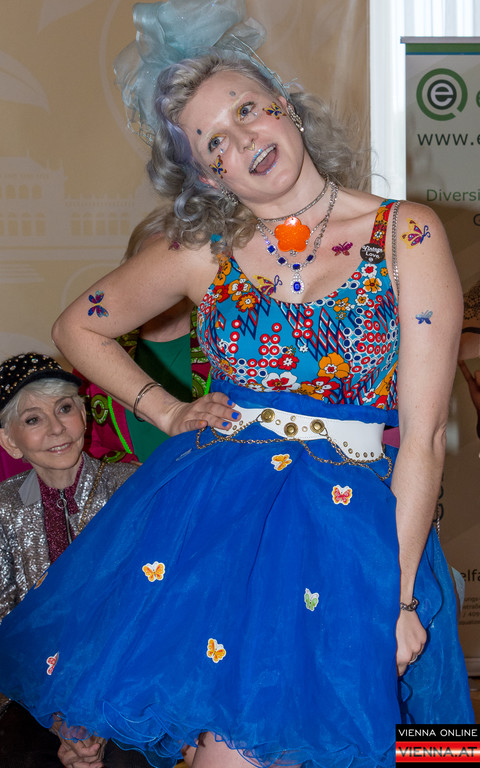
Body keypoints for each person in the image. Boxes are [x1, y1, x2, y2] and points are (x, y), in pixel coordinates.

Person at [0, 2, 473, 767]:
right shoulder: (203, 252)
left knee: (358, 745)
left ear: (284, 105)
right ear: (204, 172)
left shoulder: (406, 233)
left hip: (355, 536)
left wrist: (402, 599)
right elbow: (76, 328)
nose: (243, 139)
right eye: (213, 140)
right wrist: (166, 409)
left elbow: (421, 439)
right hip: (224, 530)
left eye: (247, 110)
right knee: (231, 749)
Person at [0, 352, 149, 768]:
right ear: (10, 441)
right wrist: (60, 723)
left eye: (64, 409)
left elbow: (155, 607)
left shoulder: (136, 486)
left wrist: (94, 722)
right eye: (33, 419)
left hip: (130, 681)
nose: (56, 428)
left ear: (84, 417)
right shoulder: (3, 509)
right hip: (32, 689)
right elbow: (5, 623)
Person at [79, 211, 210, 465]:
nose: (161, 281)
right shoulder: (95, 343)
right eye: (148, 266)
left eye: (173, 265)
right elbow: (80, 438)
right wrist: (124, 473)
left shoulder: (224, 342)